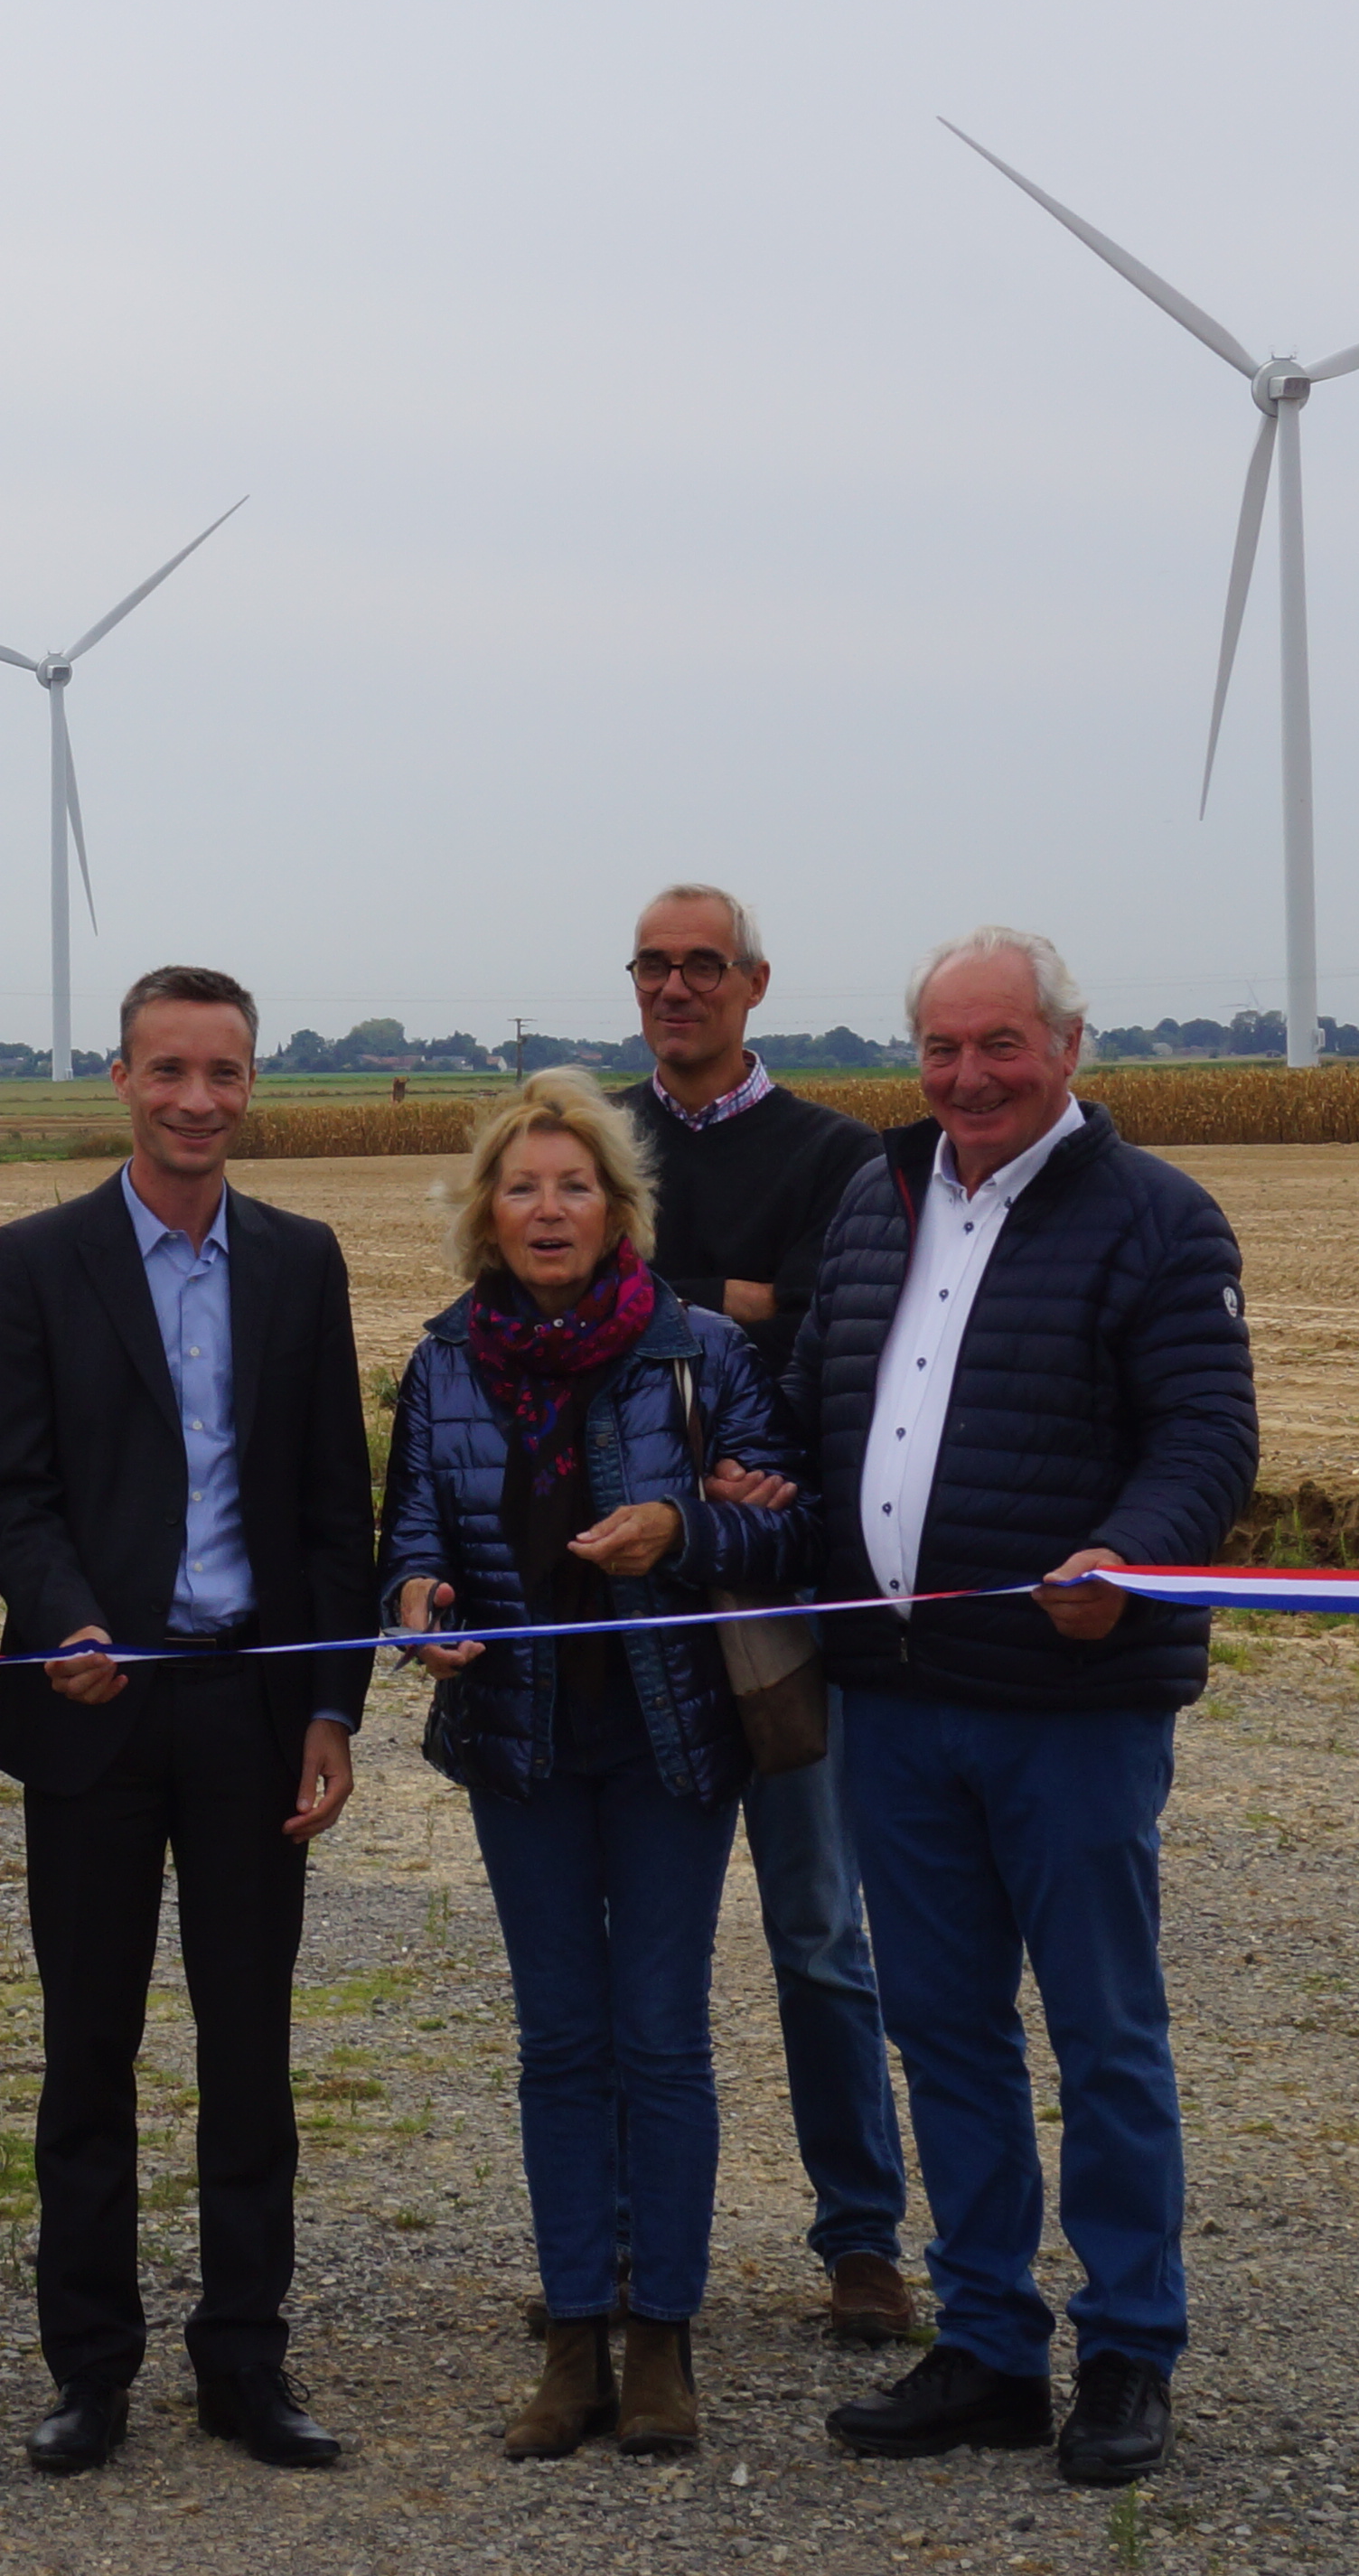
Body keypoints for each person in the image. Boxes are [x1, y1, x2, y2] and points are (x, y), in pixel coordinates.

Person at [801, 928, 1254, 2492]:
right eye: (942, 1050)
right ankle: (990, 2342)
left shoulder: (1157, 1221)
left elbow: (1205, 1437)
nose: (969, 1077)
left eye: (1000, 1045)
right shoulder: (875, 1202)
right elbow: (821, 1408)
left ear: (1070, 1047)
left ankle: (1131, 2341)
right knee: (943, 2030)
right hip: (897, 1700)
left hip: (1071, 1703)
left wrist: (1130, 1554)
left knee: (1105, 2032)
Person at [0, 964, 375, 2477]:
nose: (198, 1100)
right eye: (169, 1072)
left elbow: (340, 1501)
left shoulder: (302, 1261)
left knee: (249, 2051)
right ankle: (91, 2370)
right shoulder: (35, 1261)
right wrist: (70, 1614)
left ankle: (244, 2363)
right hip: (94, 1713)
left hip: (253, 1712)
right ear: (123, 1082)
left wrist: (334, 1700)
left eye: (224, 1073)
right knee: (89, 2053)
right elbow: (9, 1486)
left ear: (250, 1083)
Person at [381, 1068, 808, 2464]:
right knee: (561, 2044)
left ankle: (665, 2341)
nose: (548, 1208)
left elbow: (779, 1531)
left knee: (662, 2038)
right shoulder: (443, 1359)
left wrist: (679, 1530)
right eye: (523, 1186)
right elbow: (411, 1541)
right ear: (486, 1214)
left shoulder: (697, 1351)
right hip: (522, 1746)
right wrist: (420, 1611)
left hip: (670, 1742)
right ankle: (575, 2337)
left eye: (574, 1186)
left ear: (617, 1209)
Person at [604, 881, 916, 2347]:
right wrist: (733, 1300)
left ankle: (860, 2237)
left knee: (817, 1930)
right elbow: (533, 1295)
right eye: (656, 966)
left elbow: (841, 1322)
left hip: (781, 1586)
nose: (678, 989)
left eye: (704, 967)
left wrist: (663, 1296)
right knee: (631, 1945)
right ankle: (612, 2236)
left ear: (755, 984)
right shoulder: (593, 1135)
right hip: (627, 1594)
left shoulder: (839, 1155)